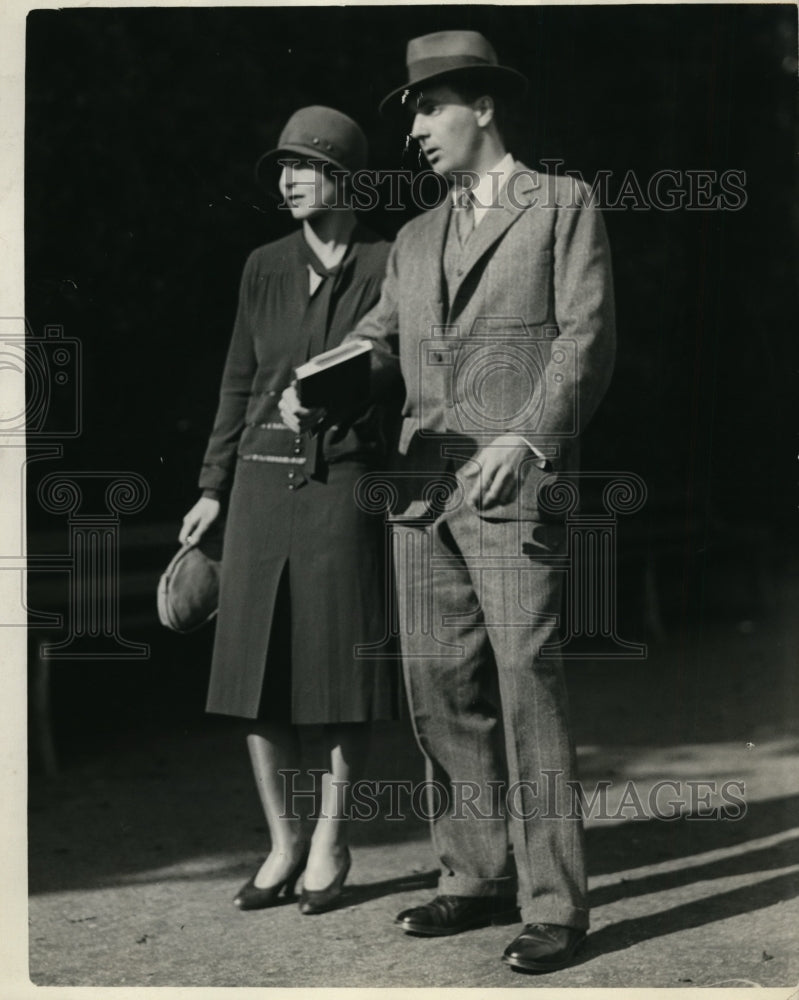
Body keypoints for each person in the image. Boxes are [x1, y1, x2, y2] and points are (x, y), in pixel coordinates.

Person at [282, 30, 616, 972]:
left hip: (515, 485)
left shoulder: (561, 205)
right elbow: (380, 343)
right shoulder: (418, 236)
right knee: (438, 690)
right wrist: (320, 376)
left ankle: (555, 903)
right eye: (413, 114)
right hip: (420, 491)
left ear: (483, 106)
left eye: (430, 107)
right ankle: (473, 875)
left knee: (525, 688)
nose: (419, 129)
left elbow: (583, 343)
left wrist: (525, 440)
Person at [180, 106, 398, 916]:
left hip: (343, 487)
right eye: (281, 168)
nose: (287, 181)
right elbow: (239, 382)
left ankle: (332, 845)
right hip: (260, 492)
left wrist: (350, 411)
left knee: (337, 678)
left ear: (344, 175)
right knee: (255, 676)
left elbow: (400, 377)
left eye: (303, 166)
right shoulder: (262, 265)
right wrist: (210, 488)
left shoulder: (389, 261)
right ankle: (282, 844)